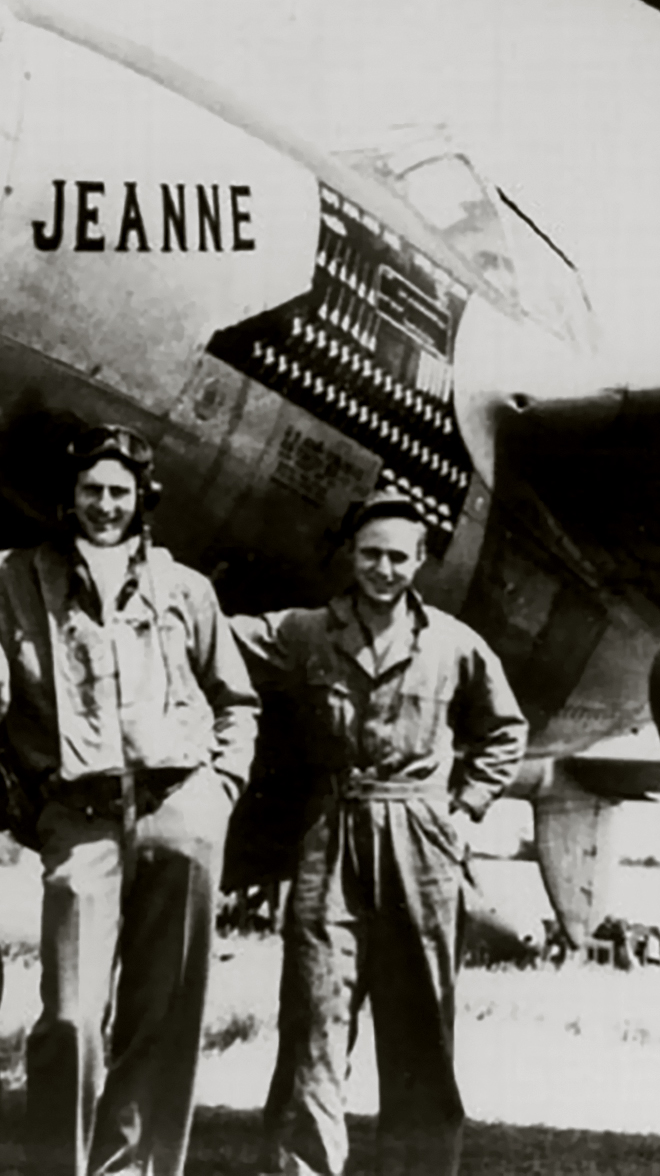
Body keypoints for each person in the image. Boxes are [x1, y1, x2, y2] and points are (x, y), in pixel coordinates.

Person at [0, 422, 257, 1176]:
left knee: (163, 1018)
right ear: (70, 498)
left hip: (179, 811)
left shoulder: (187, 589)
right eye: (92, 490)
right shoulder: (16, 577)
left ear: (143, 499)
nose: (105, 505)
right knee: (69, 1019)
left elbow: (235, 700)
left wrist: (220, 789)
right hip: (81, 820)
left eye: (120, 492)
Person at [233, 491, 528, 1176]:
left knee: (420, 1022)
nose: (383, 569)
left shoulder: (454, 644)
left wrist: (465, 808)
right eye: (370, 554)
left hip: (420, 840)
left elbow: (504, 731)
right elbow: (214, 635)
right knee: (314, 1014)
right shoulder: (306, 632)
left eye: (398, 556)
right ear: (350, 555)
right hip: (330, 832)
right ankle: (302, 1167)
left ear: (420, 561)